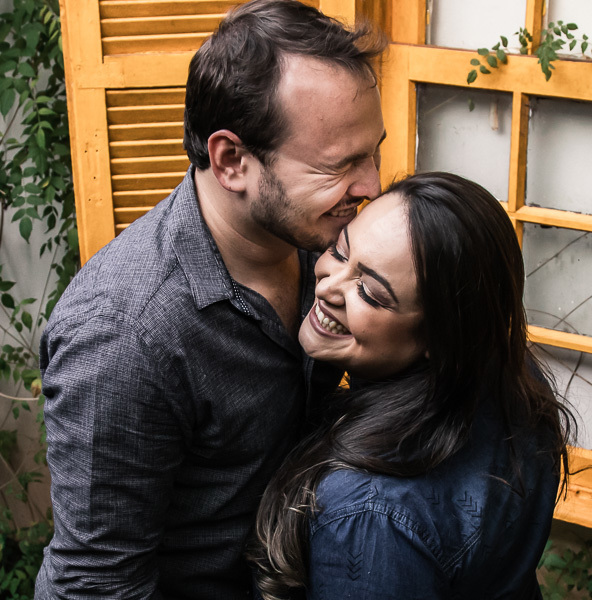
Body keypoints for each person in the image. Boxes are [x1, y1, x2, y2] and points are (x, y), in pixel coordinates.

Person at [35, 1, 386, 597]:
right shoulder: (124, 337)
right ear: (231, 161)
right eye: (341, 165)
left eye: (373, 150)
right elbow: (94, 586)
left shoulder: (321, 241)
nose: (373, 185)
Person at [249, 172, 574, 599]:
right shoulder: (511, 376)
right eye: (339, 249)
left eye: (369, 291)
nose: (328, 285)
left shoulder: (370, 516)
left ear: (437, 341)